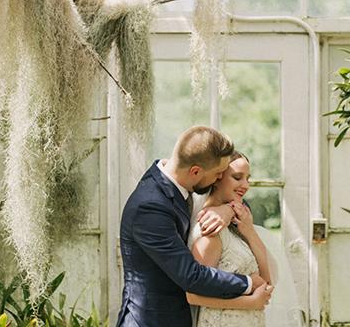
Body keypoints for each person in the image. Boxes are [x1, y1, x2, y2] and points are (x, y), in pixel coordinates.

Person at [116, 126, 273, 327]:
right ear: (195, 171)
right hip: (152, 321)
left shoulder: (185, 184)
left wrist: (228, 210)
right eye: (218, 173)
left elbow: (234, 198)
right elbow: (191, 276)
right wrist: (249, 284)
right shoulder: (150, 206)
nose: (219, 178)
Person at [187, 151, 273, 327]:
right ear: (217, 178)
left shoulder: (238, 224)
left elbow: (266, 282)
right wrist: (251, 302)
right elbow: (193, 295)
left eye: (247, 178)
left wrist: (249, 231)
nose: (246, 185)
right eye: (237, 177)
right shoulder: (209, 230)